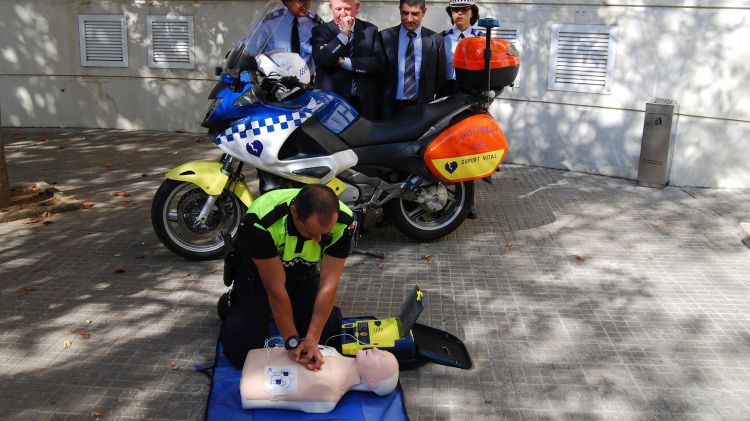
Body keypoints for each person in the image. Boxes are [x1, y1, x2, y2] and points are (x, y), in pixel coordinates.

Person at [219, 184, 355, 370]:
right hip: (259, 277)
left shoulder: (345, 222)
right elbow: (275, 289)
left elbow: (329, 284)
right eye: (310, 232)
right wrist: (292, 341)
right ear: (294, 212)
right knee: (242, 353)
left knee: (328, 340)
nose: (317, 240)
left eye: (324, 234)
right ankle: (231, 302)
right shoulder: (261, 221)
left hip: (302, 274)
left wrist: (312, 338)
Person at [241, 346, 399, 413]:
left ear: (372, 381)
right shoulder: (335, 354)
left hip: (251, 386)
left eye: (381, 359)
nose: (376, 349)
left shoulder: (330, 392)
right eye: (382, 350)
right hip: (257, 362)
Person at [312, 0, 385, 120]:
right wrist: (343, 35)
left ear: (357, 7)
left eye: (347, 8)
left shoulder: (370, 30)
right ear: (331, 8)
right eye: (338, 9)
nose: (343, 14)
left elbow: (378, 64)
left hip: (363, 103)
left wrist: (342, 62)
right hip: (333, 102)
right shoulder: (321, 31)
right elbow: (321, 59)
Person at [380, 0, 447, 119]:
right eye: (405, 13)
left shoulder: (436, 41)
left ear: (424, 12)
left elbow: (441, 81)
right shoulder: (384, 37)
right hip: (390, 110)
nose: (409, 19)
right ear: (399, 10)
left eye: (415, 14)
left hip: (423, 111)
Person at [247, 0, 324, 75]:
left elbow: (325, 54)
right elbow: (248, 55)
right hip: (276, 84)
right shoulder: (270, 24)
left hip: (307, 84)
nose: (307, 4)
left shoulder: (314, 23)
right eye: (301, 0)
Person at [439, 0, 482, 96]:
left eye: (465, 9)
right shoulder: (441, 38)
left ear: (472, 13)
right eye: (455, 9)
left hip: (472, 92)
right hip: (446, 91)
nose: (459, 13)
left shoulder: (481, 40)